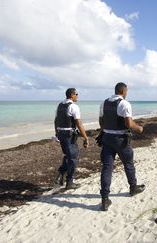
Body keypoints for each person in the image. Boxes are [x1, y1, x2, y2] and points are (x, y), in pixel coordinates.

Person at [98, 82, 145, 211]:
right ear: (124, 91)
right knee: (128, 163)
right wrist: (139, 128)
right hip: (120, 139)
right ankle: (133, 187)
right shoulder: (124, 103)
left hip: (107, 138)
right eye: (127, 91)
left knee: (107, 168)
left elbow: (101, 121)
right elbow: (129, 123)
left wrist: (107, 130)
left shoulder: (104, 103)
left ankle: (105, 199)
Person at [54, 88, 89, 190]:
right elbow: (79, 124)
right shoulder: (73, 107)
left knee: (67, 155)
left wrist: (57, 133)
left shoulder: (60, 105)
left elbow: (56, 121)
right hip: (69, 134)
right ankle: (69, 182)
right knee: (73, 158)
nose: (77, 96)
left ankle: (60, 175)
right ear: (72, 95)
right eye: (77, 94)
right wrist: (85, 137)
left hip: (61, 133)